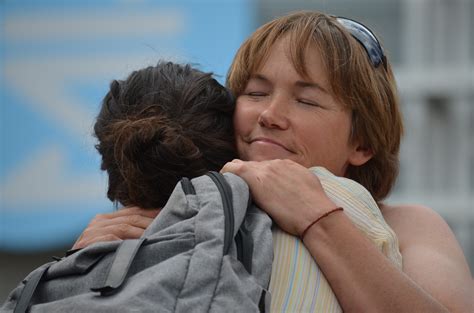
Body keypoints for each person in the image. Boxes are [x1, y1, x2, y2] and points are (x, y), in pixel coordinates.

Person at [73, 11, 472, 312]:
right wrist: (85, 263)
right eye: (256, 93)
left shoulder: (409, 226)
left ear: (362, 143)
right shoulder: (189, 210)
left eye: (306, 100)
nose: (270, 115)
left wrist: (319, 218)